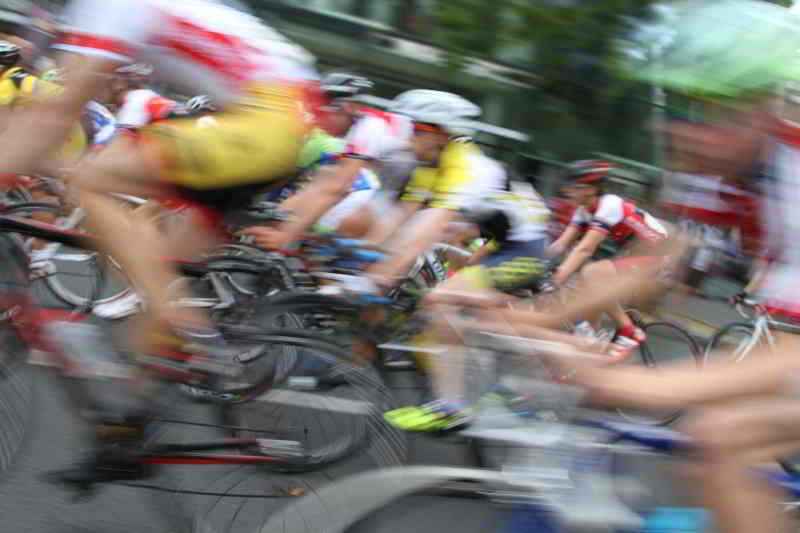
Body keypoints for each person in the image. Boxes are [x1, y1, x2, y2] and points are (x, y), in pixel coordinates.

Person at [0, 0, 318, 482]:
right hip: (280, 121)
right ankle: (128, 431)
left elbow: (58, 111)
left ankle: (191, 328)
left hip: (263, 121)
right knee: (165, 273)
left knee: (90, 180)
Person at [369, 90, 551, 430]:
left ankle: (451, 407)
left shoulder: (468, 166)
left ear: (440, 131)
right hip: (499, 243)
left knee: (441, 299)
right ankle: (501, 382)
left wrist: (382, 272)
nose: (409, 137)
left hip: (526, 250)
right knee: (473, 313)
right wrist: (367, 255)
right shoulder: (430, 165)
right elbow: (401, 217)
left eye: (416, 129)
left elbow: (431, 226)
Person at [249, 71, 414, 247]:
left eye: (325, 113)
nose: (320, 121)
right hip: (389, 182)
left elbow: (336, 188)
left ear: (349, 108)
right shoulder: (355, 130)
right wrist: (275, 216)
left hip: (408, 192)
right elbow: (322, 185)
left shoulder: (370, 128)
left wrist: (286, 234)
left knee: (346, 224)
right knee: (326, 177)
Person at [546, 159, 669, 358]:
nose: (568, 191)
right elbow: (560, 244)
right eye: (568, 187)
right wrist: (535, 264)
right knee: (589, 299)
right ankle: (589, 355)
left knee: (592, 273)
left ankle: (629, 331)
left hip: (658, 253)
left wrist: (556, 279)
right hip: (632, 252)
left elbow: (585, 249)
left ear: (592, 189)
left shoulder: (609, 205)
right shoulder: (582, 211)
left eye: (575, 187)